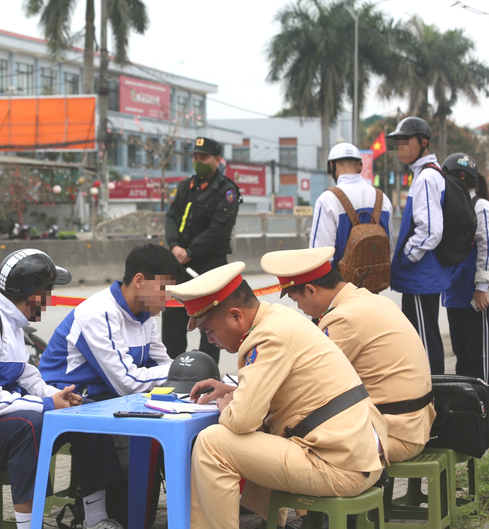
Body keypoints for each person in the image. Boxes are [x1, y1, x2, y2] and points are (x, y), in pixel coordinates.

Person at [166, 263, 387, 529]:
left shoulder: (267, 336)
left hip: (341, 466)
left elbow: (241, 421)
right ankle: (269, 521)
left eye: (209, 331)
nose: (210, 341)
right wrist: (235, 392)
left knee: (213, 443)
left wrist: (229, 406)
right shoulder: (277, 318)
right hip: (357, 454)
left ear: (236, 316)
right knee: (256, 434)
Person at [0, 249, 123, 529]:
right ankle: (29, 525)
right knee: (29, 424)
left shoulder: (9, 323)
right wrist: (47, 405)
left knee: (87, 414)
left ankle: (96, 517)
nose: (50, 300)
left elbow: (30, 379)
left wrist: (59, 398)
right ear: (32, 293)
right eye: (48, 292)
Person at [262, 247, 436, 462]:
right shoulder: (369, 300)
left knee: (279, 447)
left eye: (297, 301)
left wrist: (251, 394)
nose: (301, 308)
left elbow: (307, 382)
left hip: (392, 434)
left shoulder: (343, 318)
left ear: (311, 290)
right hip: (412, 425)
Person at [39, 244, 180, 399]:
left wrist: (185, 371)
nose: (168, 298)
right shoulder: (99, 313)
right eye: (163, 289)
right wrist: (183, 369)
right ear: (139, 281)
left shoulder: (145, 317)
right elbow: (127, 383)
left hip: (105, 397)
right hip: (66, 400)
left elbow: (164, 366)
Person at [164, 136, 241, 364]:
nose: (198, 161)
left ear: (217, 160)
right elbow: (171, 217)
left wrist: (189, 252)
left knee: (210, 329)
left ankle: (206, 375)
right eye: (195, 157)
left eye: (203, 157)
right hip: (179, 267)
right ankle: (174, 374)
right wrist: (174, 246)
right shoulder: (185, 186)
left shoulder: (227, 191)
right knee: (172, 327)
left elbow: (219, 230)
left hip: (209, 267)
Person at [387, 117, 449, 375]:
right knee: (421, 337)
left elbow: (430, 231)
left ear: (423, 143)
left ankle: (436, 399)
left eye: (406, 141)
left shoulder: (425, 178)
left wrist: (406, 258)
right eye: (398, 141)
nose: (401, 146)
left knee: (425, 342)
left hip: (421, 276)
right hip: (420, 276)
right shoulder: (426, 173)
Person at [441, 152, 489, 380]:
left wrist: (482, 287)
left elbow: (486, 248)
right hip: (454, 292)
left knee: (478, 354)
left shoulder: (480, 206)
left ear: (461, 177)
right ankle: (468, 405)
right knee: (460, 351)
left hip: (474, 296)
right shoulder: (451, 204)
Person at [310, 142, 393, 262]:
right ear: (360, 166)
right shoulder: (382, 198)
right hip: (378, 279)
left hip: (342, 280)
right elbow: (389, 248)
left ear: (331, 166)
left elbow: (318, 256)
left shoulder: (327, 200)